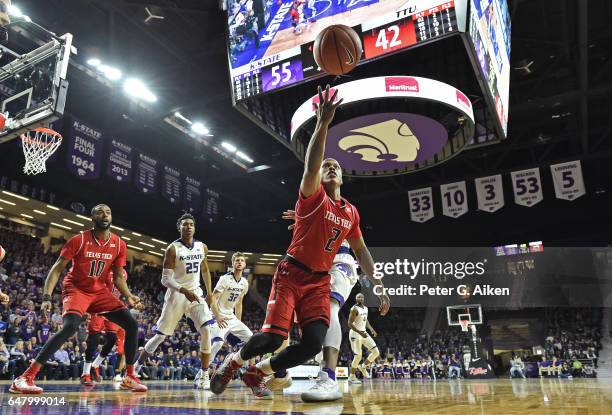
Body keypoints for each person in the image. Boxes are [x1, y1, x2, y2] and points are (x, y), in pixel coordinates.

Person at [211, 85, 390, 399]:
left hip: (319, 282)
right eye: (325, 167)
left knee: (312, 344)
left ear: (344, 179)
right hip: (292, 275)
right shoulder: (312, 197)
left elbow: (361, 250)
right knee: (272, 337)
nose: (329, 167)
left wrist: (377, 283)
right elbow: (311, 165)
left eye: (335, 167)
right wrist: (323, 124)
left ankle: (258, 372)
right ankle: (234, 361)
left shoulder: (351, 212)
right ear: (319, 177)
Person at [10, 204, 146, 394]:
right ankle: (25, 377)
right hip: (76, 289)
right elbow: (57, 268)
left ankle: (129, 377)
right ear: (93, 218)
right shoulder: (79, 240)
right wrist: (47, 297)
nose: (104, 215)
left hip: (100, 292)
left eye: (108, 212)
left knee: (131, 324)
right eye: (99, 212)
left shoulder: (119, 244)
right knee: (70, 327)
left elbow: (117, 277)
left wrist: (129, 295)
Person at [136, 213, 225, 390]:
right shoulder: (173, 249)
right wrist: (183, 290)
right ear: (179, 228)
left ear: (195, 227)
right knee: (160, 336)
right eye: (185, 225)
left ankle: (204, 375)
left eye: (191, 224)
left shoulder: (202, 247)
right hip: (176, 295)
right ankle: (136, 367)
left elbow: (205, 270)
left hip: (196, 293)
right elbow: (165, 279)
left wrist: (209, 293)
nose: (188, 227)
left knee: (207, 329)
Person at [208, 252, 253, 372]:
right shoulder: (224, 279)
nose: (239, 262)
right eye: (237, 260)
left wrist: (238, 322)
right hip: (218, 315)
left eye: (241, 260)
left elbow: (238, 303)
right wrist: (217, 316)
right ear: (232, 263)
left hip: (231, 317)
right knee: (217, 344)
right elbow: (213, 299)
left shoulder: (245, 282)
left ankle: (245, 367)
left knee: (252, 339)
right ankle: (202, 373)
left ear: (245, 264)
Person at [82, 270, 128, 385]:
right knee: (94, 340)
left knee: (112, 339)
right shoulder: (104, 268)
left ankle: (95, 365)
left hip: (112, 307)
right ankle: (85, 373)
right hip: (98, 304)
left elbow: (121, 289)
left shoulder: (124, 273)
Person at [347, 293, 380, 384]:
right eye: (358, 297)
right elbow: (349, 324)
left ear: (363, 299)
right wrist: (360, 332)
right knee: (358, 356)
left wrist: (371, 329)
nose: (360, 298)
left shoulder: (365, 308)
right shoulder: (354, 309)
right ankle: (352, 376)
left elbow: (366, 320)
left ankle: (363, 367)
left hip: (363, 332)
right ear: (356, 298)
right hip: (355, 334)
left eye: (361, 297)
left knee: (376, 352)